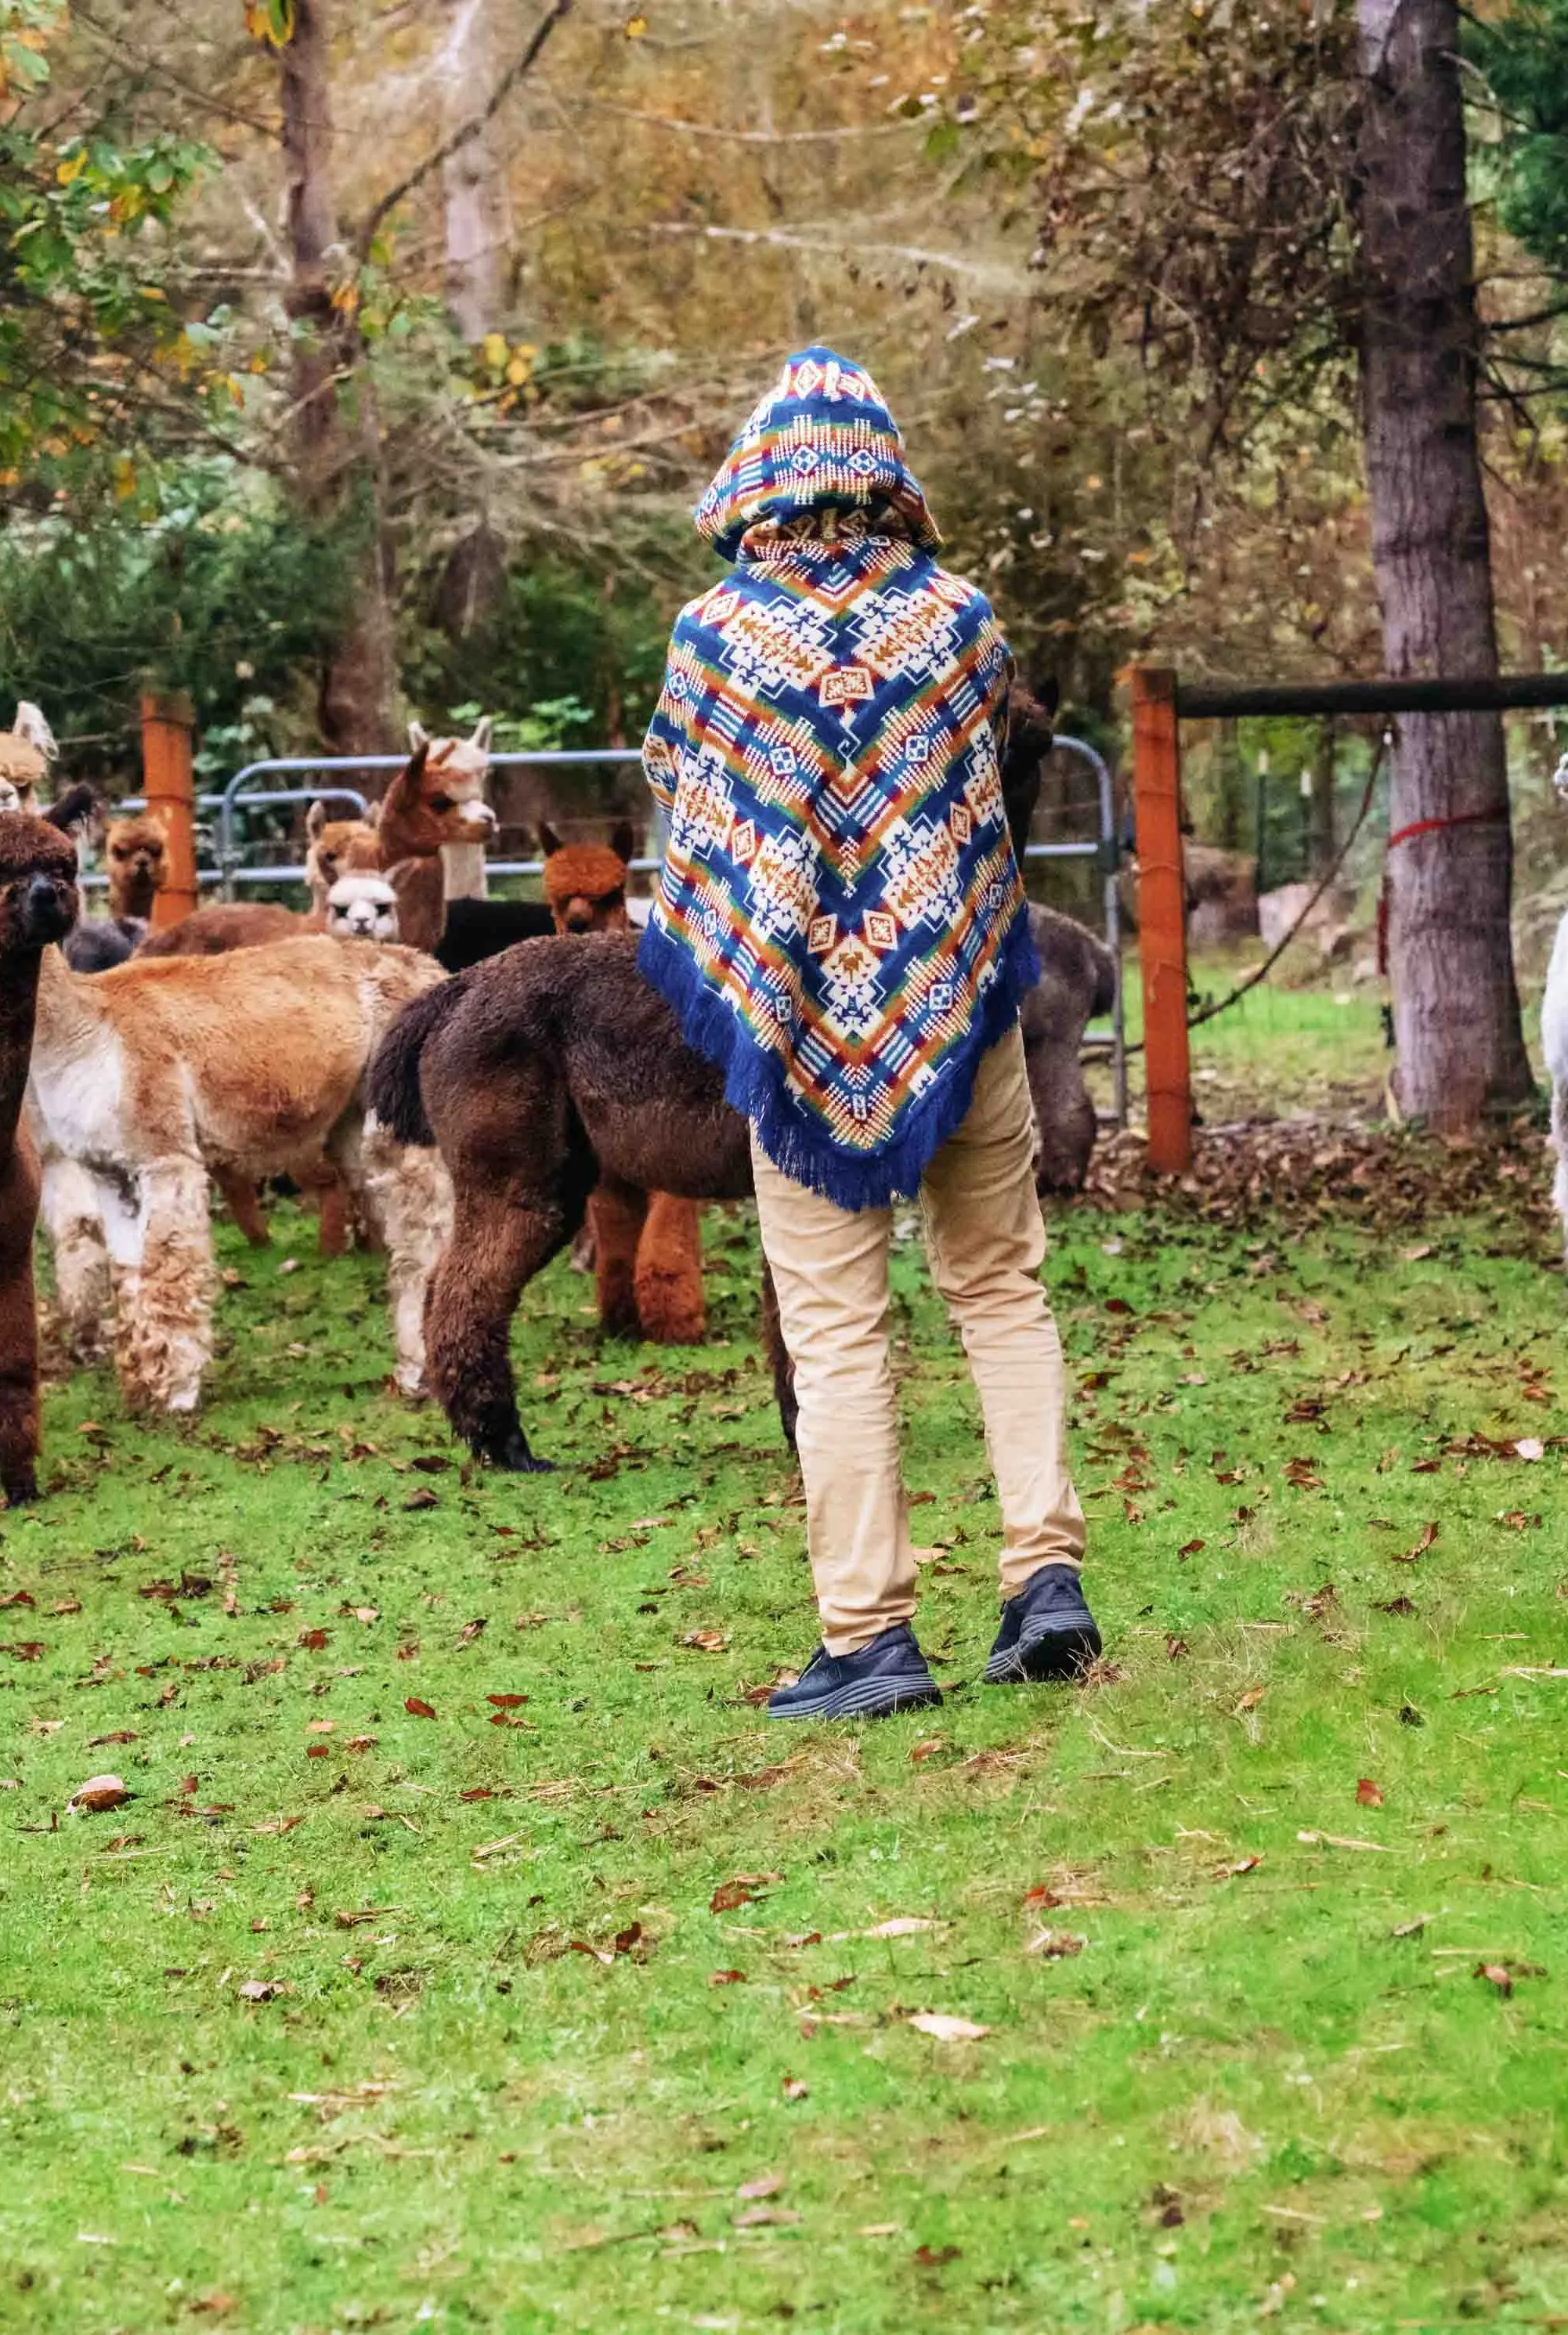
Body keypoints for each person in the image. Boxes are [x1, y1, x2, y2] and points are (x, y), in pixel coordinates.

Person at [639, 345, 1094, 1722]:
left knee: (835, 1328)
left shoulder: (714, 635)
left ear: (760, 474)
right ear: (884, 469)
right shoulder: (962, 620)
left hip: (796, 1032)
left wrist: (777, 956)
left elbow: (693, 819)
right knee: (1001, 1285)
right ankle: (1045, 1578)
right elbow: (978, 815)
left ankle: (869, 1638)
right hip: (962, 1009)